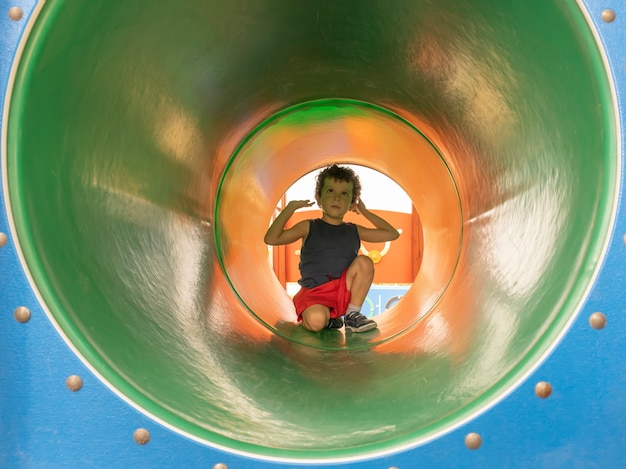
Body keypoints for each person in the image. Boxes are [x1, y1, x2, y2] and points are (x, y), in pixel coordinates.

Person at [264, 164, 399, 333]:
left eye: (344, 194)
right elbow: (271, 238)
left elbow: (391, 234)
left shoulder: (354, 230)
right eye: (330, 191)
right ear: (319, 198)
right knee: (316, 321)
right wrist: (290, 208)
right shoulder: (308, 226)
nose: (337, 198)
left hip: (344, 290)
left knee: (364, 262)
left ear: (351, 202)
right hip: (315, 293)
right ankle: (327, 318)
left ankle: (352, 316)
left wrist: (364, 212)